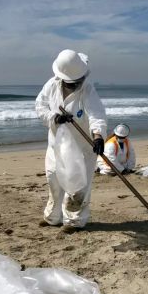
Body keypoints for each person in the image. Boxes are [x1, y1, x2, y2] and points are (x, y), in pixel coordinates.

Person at [35, 49, 108, 232]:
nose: (78, 83)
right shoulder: (51, 85)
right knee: (54, 181)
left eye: (79, 80)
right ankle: (53, 218)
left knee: (78, 188)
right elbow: (40, 106)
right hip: (57, 147)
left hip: (82, 149)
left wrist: (98, 135)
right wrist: (54, 118)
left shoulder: (88, 89)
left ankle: (74, 222)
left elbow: (96, 115)